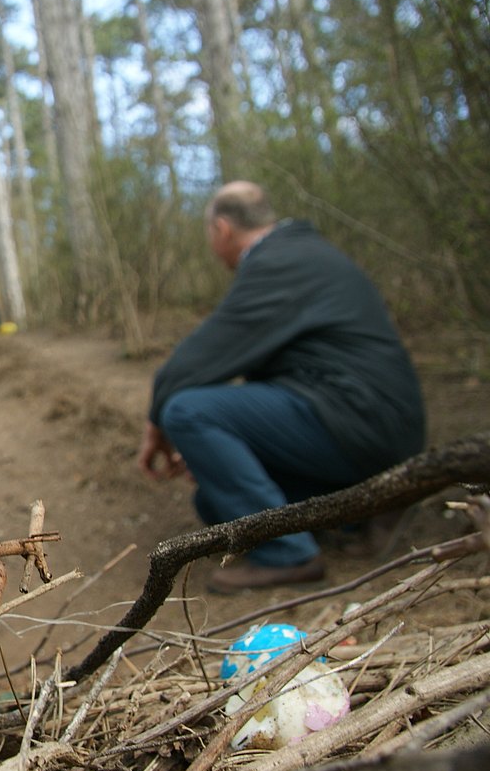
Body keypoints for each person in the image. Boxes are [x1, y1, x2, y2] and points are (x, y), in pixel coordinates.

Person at [136, 181, 426, 593]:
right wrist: (218, 454)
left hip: (360, 421)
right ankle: (364, 511)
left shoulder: (279, 261)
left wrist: (156, 424)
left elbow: (203, 356)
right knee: (213, 503)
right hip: (365, 423)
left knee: (187, 410)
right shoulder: (303, 254)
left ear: (221, 229)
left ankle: (288, 555)